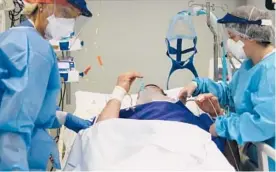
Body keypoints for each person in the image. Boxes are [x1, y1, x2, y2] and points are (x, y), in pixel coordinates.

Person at [178, 5, 275, 171]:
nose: (230, 44)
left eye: (233, 37)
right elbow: (232, 93)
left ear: (250, 37)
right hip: (254, 155)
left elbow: (264, 124)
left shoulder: (271, 71)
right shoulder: (249, 65)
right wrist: (198, 85)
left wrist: (222, 126)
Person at [0, 0, 93, 170]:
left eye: (74, 18)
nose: (69, 25)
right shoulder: (34, 49)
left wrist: (63, 117)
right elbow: (14, 124)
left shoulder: (17, 37)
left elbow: (28, 106)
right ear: (42, 5)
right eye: (65, 14)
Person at [96, 72, 225, 152]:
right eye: (142, 94)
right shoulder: (128, 114)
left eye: (154, 90)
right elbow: (100, 133)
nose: (147, 93)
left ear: (169, 97)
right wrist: (119, 90)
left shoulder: (187, 114)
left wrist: (216, 114)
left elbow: (215, 141)